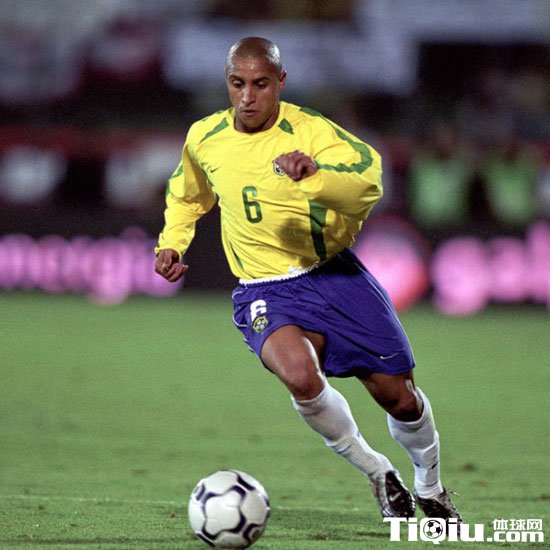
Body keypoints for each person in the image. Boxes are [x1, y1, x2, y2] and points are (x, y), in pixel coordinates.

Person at [155, 36, 462, 523]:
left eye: (260, 84)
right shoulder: (205, 137)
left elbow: (368, 181)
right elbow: (187, 195)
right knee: (300, 377)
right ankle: (377, 470)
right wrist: (172, 242)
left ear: (281, 82)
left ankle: (431, 485)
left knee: (400, 399)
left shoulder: (312, 131)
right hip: (263, 289)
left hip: (334, 276)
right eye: (237, 84)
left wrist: (315, 175)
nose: (247, 97)